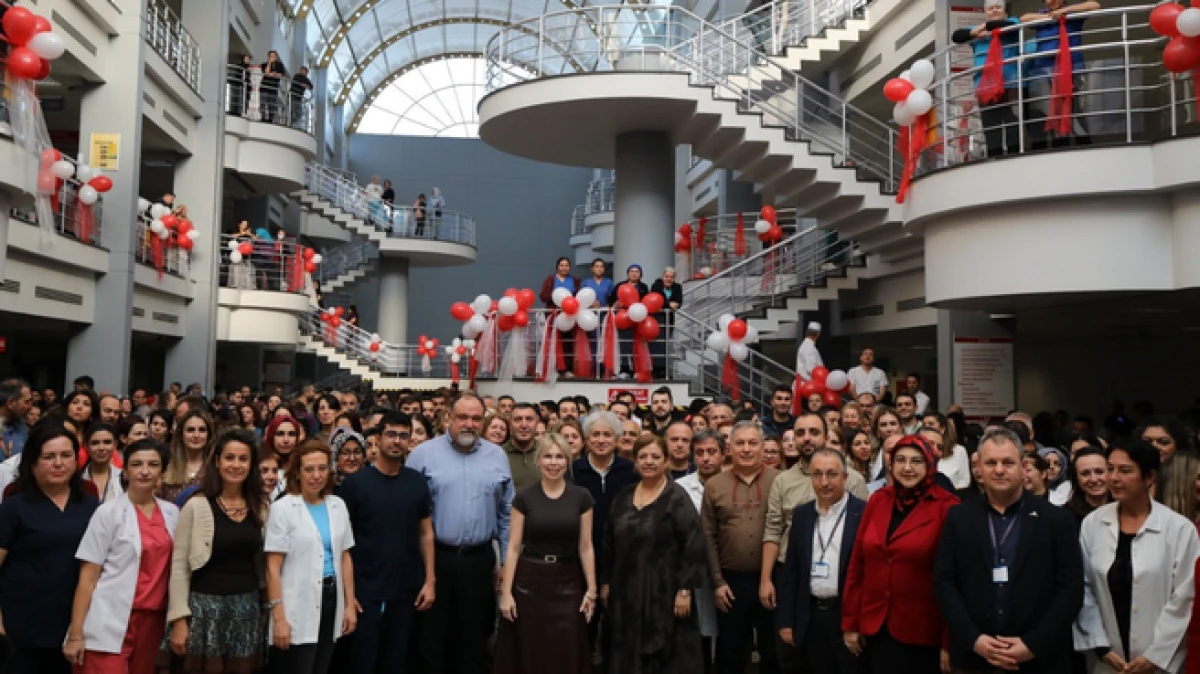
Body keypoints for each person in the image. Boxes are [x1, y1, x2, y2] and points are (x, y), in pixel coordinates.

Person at [933, 427, 1084, 673]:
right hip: (976, 657)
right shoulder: (959, 517)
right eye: (991, 463)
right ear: (978, 468)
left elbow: (1071, 588)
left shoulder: (1056, 520)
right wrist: (974, 639)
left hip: (1039, 659)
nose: (999, 470)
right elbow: (945, 582)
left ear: (1024, 468)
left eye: (1008, 462)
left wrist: (1034, 643)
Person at [407, 394, 513, 674]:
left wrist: (506, 564)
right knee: (432, 639)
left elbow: (506, 515)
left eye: (476, 418)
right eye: (462, 417)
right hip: (435, 560)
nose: (469, 424)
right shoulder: (422, 455)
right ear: (448, 419)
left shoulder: (497, 456)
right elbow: (410, 514)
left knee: (475, 639)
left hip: (479, 561)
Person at [1074, 439, 1200, 673]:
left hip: (1160, 660)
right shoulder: (1093, 524)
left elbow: (1184, 598)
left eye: (1125, 471)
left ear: (1150, 477)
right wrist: (1100, 647)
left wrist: (1155, 656)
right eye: (1110, 468)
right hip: (1107, 658)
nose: (1113, 478)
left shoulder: (1178, 529)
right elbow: (1084, 588)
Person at [841, 434, 958, 674]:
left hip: (922, 631)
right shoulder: (878, 500)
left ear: (929, 465)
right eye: (900, 460)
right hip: (874, 626)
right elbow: (858, 564)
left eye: (916, 461)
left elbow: (955, 580)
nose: (907, 468)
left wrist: (950, 640)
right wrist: (851, 622)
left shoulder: (948, 507)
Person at [63, 439, 179, 674]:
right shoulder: (107, 513)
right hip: (109, 618)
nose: (144, 471)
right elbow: (87, 577)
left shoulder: (172, 513)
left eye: (153, 464)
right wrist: (76, 634)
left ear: (163, 471)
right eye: (136, 464)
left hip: (153, 622)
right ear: (125, 470)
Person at [334, 411, 434, 673]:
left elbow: (425, 532)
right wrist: (349, 595)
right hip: (365, 592)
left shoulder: (417, 482)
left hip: (406, 591)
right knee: (363, 663)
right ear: (377, 439)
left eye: (403, 435)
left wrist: (430, 580)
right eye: (391, 434)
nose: (397, 441)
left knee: (398, 662)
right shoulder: (355, 485)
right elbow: (342, 544)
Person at [600, 433, 706, 673]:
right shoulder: (623, 496)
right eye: (643, 457)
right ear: (635, 462)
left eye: (655, 457)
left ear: (666, 461)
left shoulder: (677, 497)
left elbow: (693, 544)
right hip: (626, 591)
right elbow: (608, 542)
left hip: (666, 593)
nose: (649, 461)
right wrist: (605, 581)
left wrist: (685, 590)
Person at [161, 430, 266, 673]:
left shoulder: (261, 506)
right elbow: (178, 567)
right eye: (229, 458)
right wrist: (179, 620)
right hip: (203, 613)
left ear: (251, 465)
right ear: (217, 462)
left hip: (246, 613)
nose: (236, 465)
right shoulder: (196, 506)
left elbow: (263, 564)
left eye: (243, 459)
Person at [0, 423, 100, 672]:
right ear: (32, 464)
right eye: (49, 457)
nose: (58, 463)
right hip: (20, 628)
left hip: (74, 628)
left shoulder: (90, 506)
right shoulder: (14, 508)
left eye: (66, 455)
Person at [495, 434, 596, 674]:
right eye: (548, 456)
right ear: (538, 461)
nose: (554, 463)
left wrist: (591, 591)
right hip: (530, 582)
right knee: (531, 646)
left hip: (568, 582)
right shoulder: (524, 498)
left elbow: (586, 547)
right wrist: (506, 593)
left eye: (559, 457)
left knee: (566, 646)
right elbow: (513, 547)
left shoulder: (582, 497)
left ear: (568, 460)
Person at [265, 441, 357, 674]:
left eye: (322, 468)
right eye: (309, 469)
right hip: (295, 603)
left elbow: (345, 557)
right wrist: (279, 618)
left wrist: (349, 605)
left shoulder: (338, 505)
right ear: (297, 472)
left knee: (321, 664)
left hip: (331, 598)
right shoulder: (283, 508)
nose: (316, 475)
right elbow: (272, 568)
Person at [776, 449, 866, 674]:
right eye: (817, 474)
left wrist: (857, 624)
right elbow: (791, 572)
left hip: (846, 616)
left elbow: (868, 575)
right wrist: (786, 620)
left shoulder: (863, 513)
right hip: (811, 616)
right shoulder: (802, 515)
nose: (824, 482)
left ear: (845, 477)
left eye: (831, 474)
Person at [701, 422, 781, 674]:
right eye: (740, 443)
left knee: (772, 652)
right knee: (730, 653)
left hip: (771, 580)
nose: (746, 449)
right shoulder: (714, 485)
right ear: (729, 448)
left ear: (763, 447)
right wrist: (717, 582)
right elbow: (707, 536)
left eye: (752, 443)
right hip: (730, 583)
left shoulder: (779, 481)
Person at [573, 410, 639, 667]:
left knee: (618, 626)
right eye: (595, 435)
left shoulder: (630, 471)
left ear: (617, 438)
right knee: (583, 623)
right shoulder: (573, 471)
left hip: (623, 560)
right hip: (580, 559)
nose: (601, 440)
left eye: (607, 435)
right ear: (586, 439)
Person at [676, 430, 727, 667]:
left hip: (726, 569)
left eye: (712, 452)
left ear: (723, 454)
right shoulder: (679, 488)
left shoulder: (733, 483)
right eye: (700, 453)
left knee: (728, 636)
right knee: (698, 634)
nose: (706, 458)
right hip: (692, 572)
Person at [951, 0, 1021, 158]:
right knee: (991, 124)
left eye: (998, 8)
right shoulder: (975, 30)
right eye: (991, 9)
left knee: (1011, 120)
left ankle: (1014, 156)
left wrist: (983, 28)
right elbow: (956, 36)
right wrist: (973, 32)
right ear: (985, 12)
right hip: (984, 84)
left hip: (1009, 81)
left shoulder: (1012, 21)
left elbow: (1007, 25)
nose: (995, 11)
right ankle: (994, 156)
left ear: (1004, 10)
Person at [540, 257, 582, 376]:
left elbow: (579, 295)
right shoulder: (550, 279)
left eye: (567, 265)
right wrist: (556, 296)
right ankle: (554, 368)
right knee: (554, 342)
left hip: (570, 315)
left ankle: (568, 368)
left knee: (568, 342)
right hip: (554, 315)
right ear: (557, 267)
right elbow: (543, 296)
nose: (564, 267)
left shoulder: (574, 280)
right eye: (562, 265)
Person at [650, 267, 683, 377]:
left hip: (669, 320)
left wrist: (665, 304)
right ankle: (655, 370)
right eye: (666, 277)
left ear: (674, 278)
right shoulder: (657, 285)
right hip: (656, 319)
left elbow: (679, 302)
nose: (668, 279)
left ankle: (664, 370)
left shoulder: (677, 287)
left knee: (666, 345)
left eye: (671, 277)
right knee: (655, 345)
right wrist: (669, 305)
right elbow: (655, 300)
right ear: (662, 277)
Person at [1064, 446, 1110, 525]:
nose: (1093, 479)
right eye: (1085, 474)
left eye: (1099, 472)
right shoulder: (1065, 516)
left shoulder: (1126, 508)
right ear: (1076, 478)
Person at [82, 422, 124, 504]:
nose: (101, 448)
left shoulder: (124, 478)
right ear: (86, 446)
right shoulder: (76, 479)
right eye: (95, 443)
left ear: (115, 445)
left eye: (107, 442)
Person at [504, 403, 542, 491]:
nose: (524, 425)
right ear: (509, 424)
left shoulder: (547, 452)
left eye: (529, 419)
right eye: (518, 419)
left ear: (537, 423)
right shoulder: (499, 455)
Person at [260, 50, 288, 124]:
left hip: (273, 88)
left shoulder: (280, 65)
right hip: (264, 87)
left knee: (272, 105)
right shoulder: (264, 64)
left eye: (274, 56)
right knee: (263, 103)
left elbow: (281, 75)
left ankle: (270, 119)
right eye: (271, 56)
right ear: (268, 57)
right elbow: (266, 72)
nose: (273, 57)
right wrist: (269, 63)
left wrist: (272, 74)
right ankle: (263, 118)